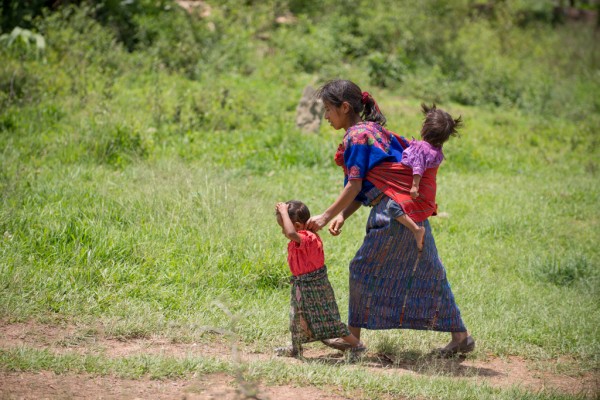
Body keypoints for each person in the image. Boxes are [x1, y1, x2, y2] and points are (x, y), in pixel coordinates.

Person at [306, 79, 475, 357]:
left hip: (392, 213)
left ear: (345, 107)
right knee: (429, 271)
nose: (325, 116)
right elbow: (377, 182)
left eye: (327, 109)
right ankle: (460, 337)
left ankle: (353, 340)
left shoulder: (357, 136)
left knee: (361, 268)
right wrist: (344, 216)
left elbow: (356, 185)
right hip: (411, 210)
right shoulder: (373, 130)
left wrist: (326, 216)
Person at [274, 200, 366, 358]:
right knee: (297, 318)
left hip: (315, 286)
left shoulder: (307, 238)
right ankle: (296, 349)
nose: (283, 231)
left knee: (329, 319)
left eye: (283, 226)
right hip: (301, 285)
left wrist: (283, 212)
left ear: (296, 226)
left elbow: (290, 233)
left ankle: (357, 346)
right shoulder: (299, 238)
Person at [389, 103, 462, 251]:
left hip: (418, 192)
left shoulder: (421, 148)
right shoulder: (437, 151)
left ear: (425, 129)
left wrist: (415, 185)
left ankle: (416, 230)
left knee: (392, 207)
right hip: (429, 196)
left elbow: (418, 166)